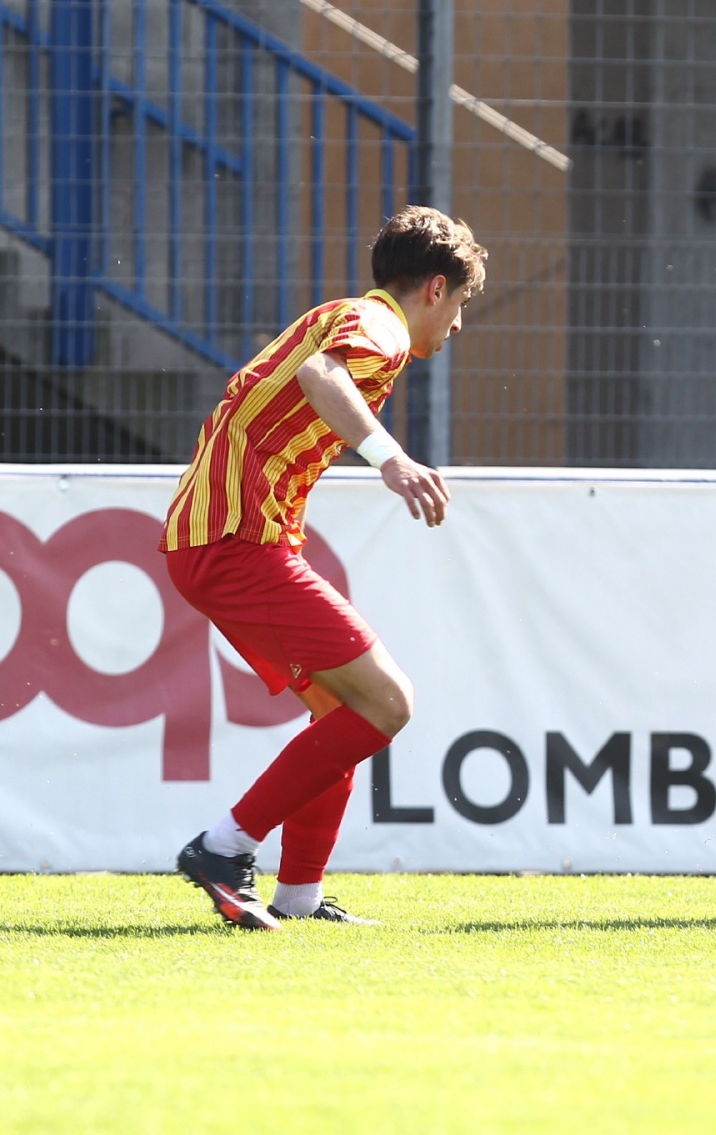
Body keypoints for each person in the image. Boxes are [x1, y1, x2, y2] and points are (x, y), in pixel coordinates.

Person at [162, 205, 487, 930]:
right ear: (435, 289)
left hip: (229, 540)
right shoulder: (380, 326)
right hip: (235, 541)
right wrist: (392, 459)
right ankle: (224, 847)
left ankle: (299, 896)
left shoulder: (340, 313)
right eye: (461, 304)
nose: (457, 325)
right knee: (390, 701)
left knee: (345, 713)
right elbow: (321, 373)